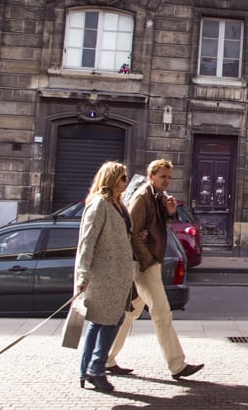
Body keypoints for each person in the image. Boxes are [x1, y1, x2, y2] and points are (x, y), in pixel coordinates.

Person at [105, 159, 203, 381]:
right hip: (144, 264)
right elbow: (131, 232)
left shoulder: (157, 198)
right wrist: (147, 259)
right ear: (151, 177)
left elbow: (158, 230)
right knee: (162, 312)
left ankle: (105, 358)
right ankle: (177, 364)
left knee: (131, 313)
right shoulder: (142, 198)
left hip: (149, 262)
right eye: (162, 177)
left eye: (169, 177)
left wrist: (169, 213)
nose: (167, 181)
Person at [74, 161, 136, 393]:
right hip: (103, 275)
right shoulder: (99, 204)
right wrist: (83, 274)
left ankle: (86, 369)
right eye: (122, 178)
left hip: (117, 274)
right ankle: (96, 369)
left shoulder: (118, 204)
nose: (126, 181)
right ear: (110, 180)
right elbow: (87, 241)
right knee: (110, 321)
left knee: (101, 322)